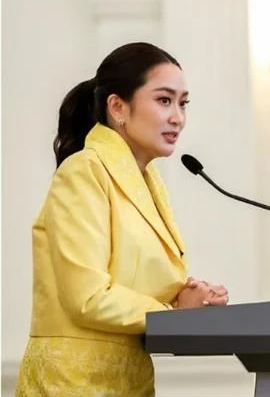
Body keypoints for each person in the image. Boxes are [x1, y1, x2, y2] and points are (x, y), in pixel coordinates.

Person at [15, 42, 228, 396]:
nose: (178, 116)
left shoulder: (147, 179)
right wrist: (171, 314)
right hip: (72, 383)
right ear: (117, 107)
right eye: (164, 100)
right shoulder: (83, 172)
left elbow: (129, 279)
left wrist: (185, 296)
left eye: (183, 103)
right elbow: (87, 296)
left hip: (128, 379)